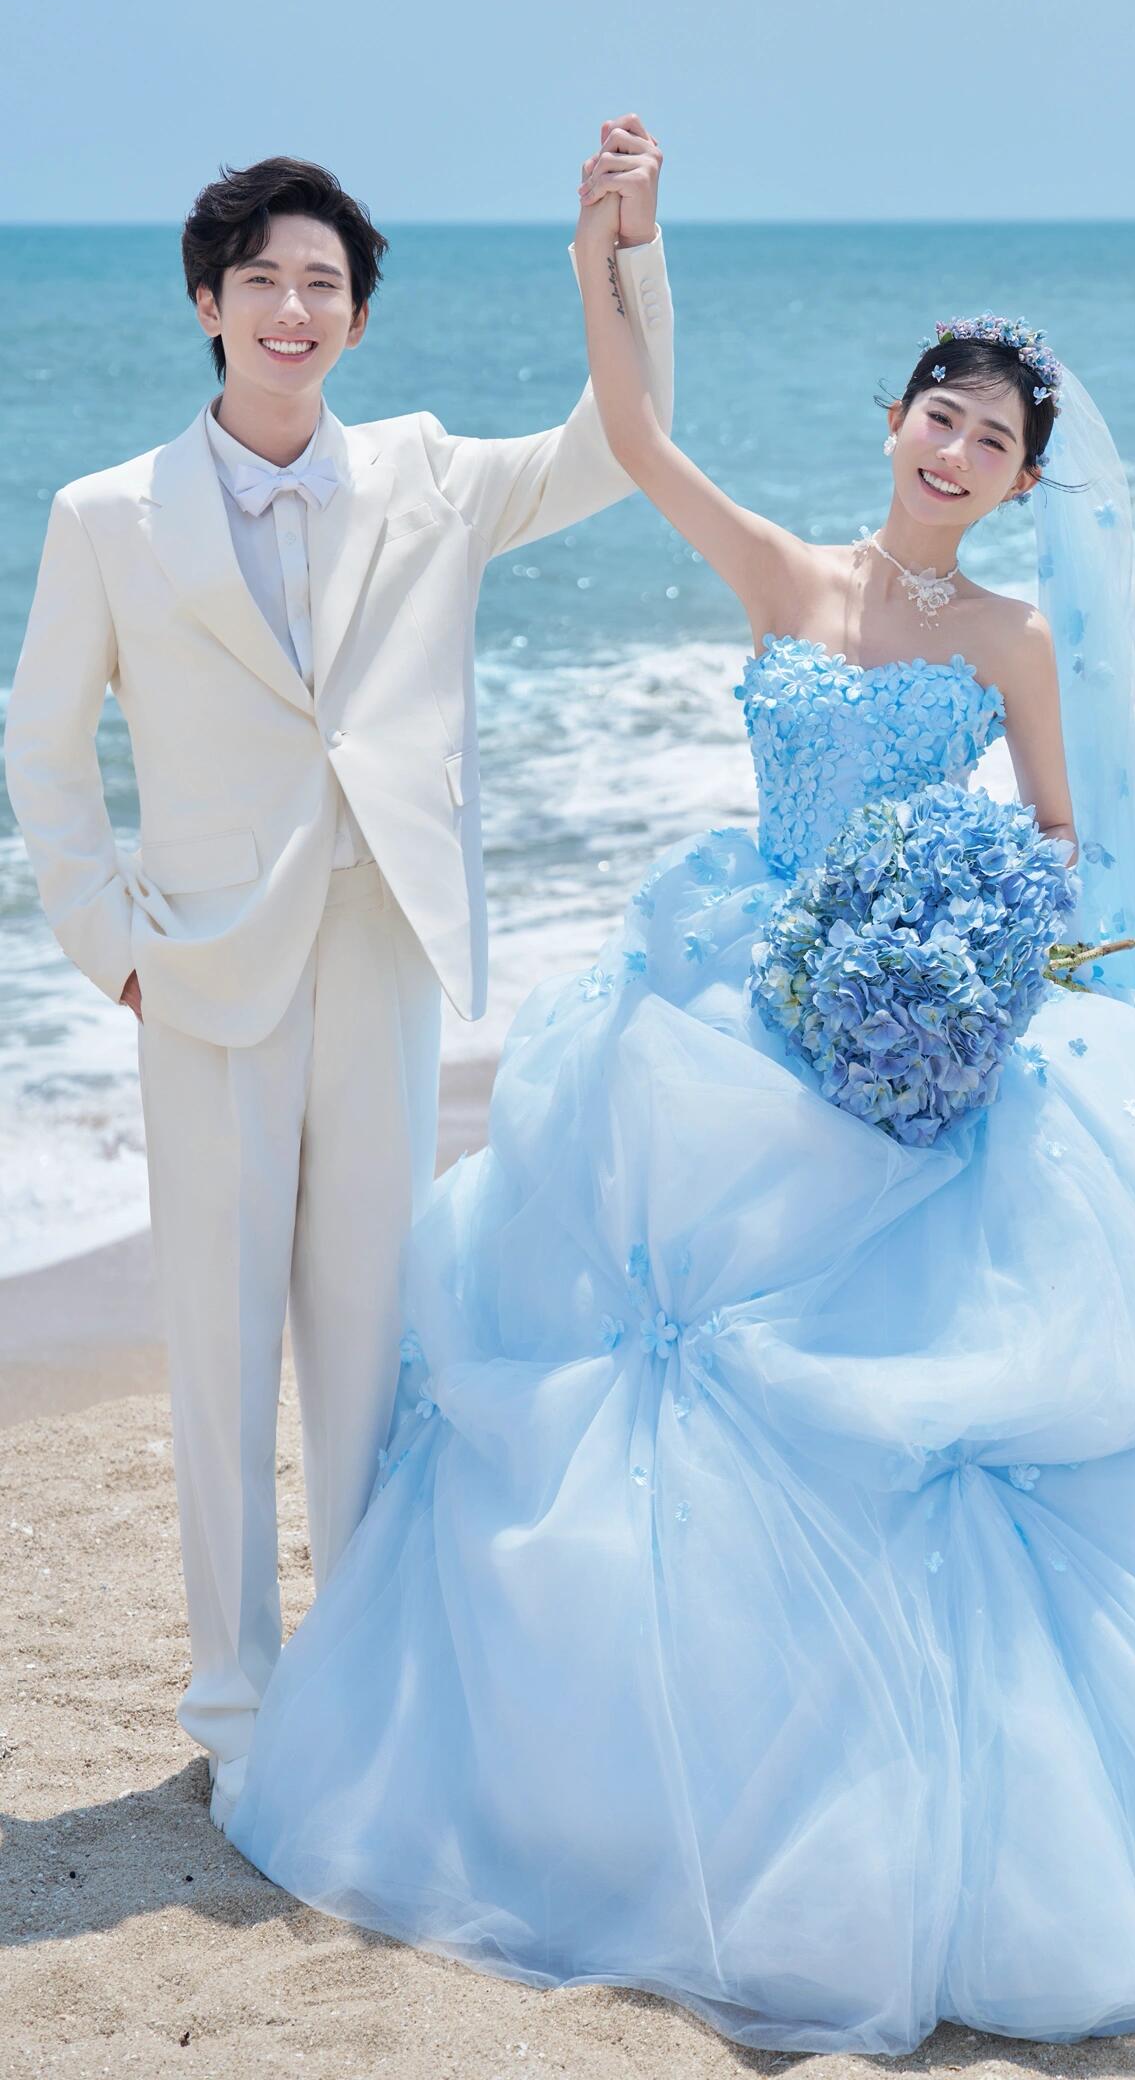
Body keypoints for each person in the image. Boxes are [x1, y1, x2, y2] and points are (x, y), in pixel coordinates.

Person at [221, 141, 1135, 2054]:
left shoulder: (1011, 642)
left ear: (1018, 483)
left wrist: (974, 948)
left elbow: (1066, 841)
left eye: (994, 441)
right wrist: (614, 245)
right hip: (744, 1013)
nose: (956, 451)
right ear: (895, 422)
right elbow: (636, 432)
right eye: (941, 416)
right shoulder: (784, 575)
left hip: (934, 1030)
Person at [2, 118, 674, 1833]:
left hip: (383, 947)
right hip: (202, 972)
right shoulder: (104, 515)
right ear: (208, 305)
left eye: (322, 284)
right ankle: (238, 1707)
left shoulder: (431, 477)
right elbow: (44, 748)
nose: (292, 308)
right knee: (220, 1351)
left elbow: (619, 445)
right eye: (263, 281)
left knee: (371, 1339)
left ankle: (365, 1689)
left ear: (357, 318)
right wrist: (110, 945)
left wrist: (619, 255)